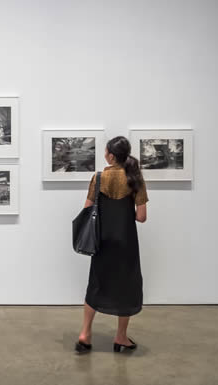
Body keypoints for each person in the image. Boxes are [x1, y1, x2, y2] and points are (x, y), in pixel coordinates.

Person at [75, 136, 149, 353]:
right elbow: (142, 217)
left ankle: (85, 335)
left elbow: (88, 209)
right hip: (126, 243)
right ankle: (121, 338)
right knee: (126, 287)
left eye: (105, 151)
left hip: (102, 242)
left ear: (111, 155)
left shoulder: (98, 178)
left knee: (96, 283)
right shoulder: (135, 178)